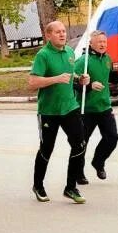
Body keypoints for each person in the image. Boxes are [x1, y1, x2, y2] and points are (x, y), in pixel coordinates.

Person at [28, 20, 90, 204]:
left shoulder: (70, 52)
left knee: (79, 144)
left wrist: (81, 79)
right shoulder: (43, 55)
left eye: (63, 31)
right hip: (49, 111)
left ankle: (70, 187)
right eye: (57, 32)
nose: (62, 34)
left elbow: (70, 76)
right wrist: (55, 79)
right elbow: (32, 83)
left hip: (70, 107)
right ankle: (38, 185)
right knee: (47, 149)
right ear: (48, 35)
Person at [74, 31, 118, 183]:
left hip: (104, 107)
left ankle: (98, 162)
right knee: (82, 143)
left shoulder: (107, 59)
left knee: (112, 138)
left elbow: (110, 78)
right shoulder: (83, 61)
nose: (103, 44)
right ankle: (78, 173)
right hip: (86, 109)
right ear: (91, 44)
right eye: (99, 42)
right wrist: (89, 85)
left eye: (104, 41)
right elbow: (73, 81)